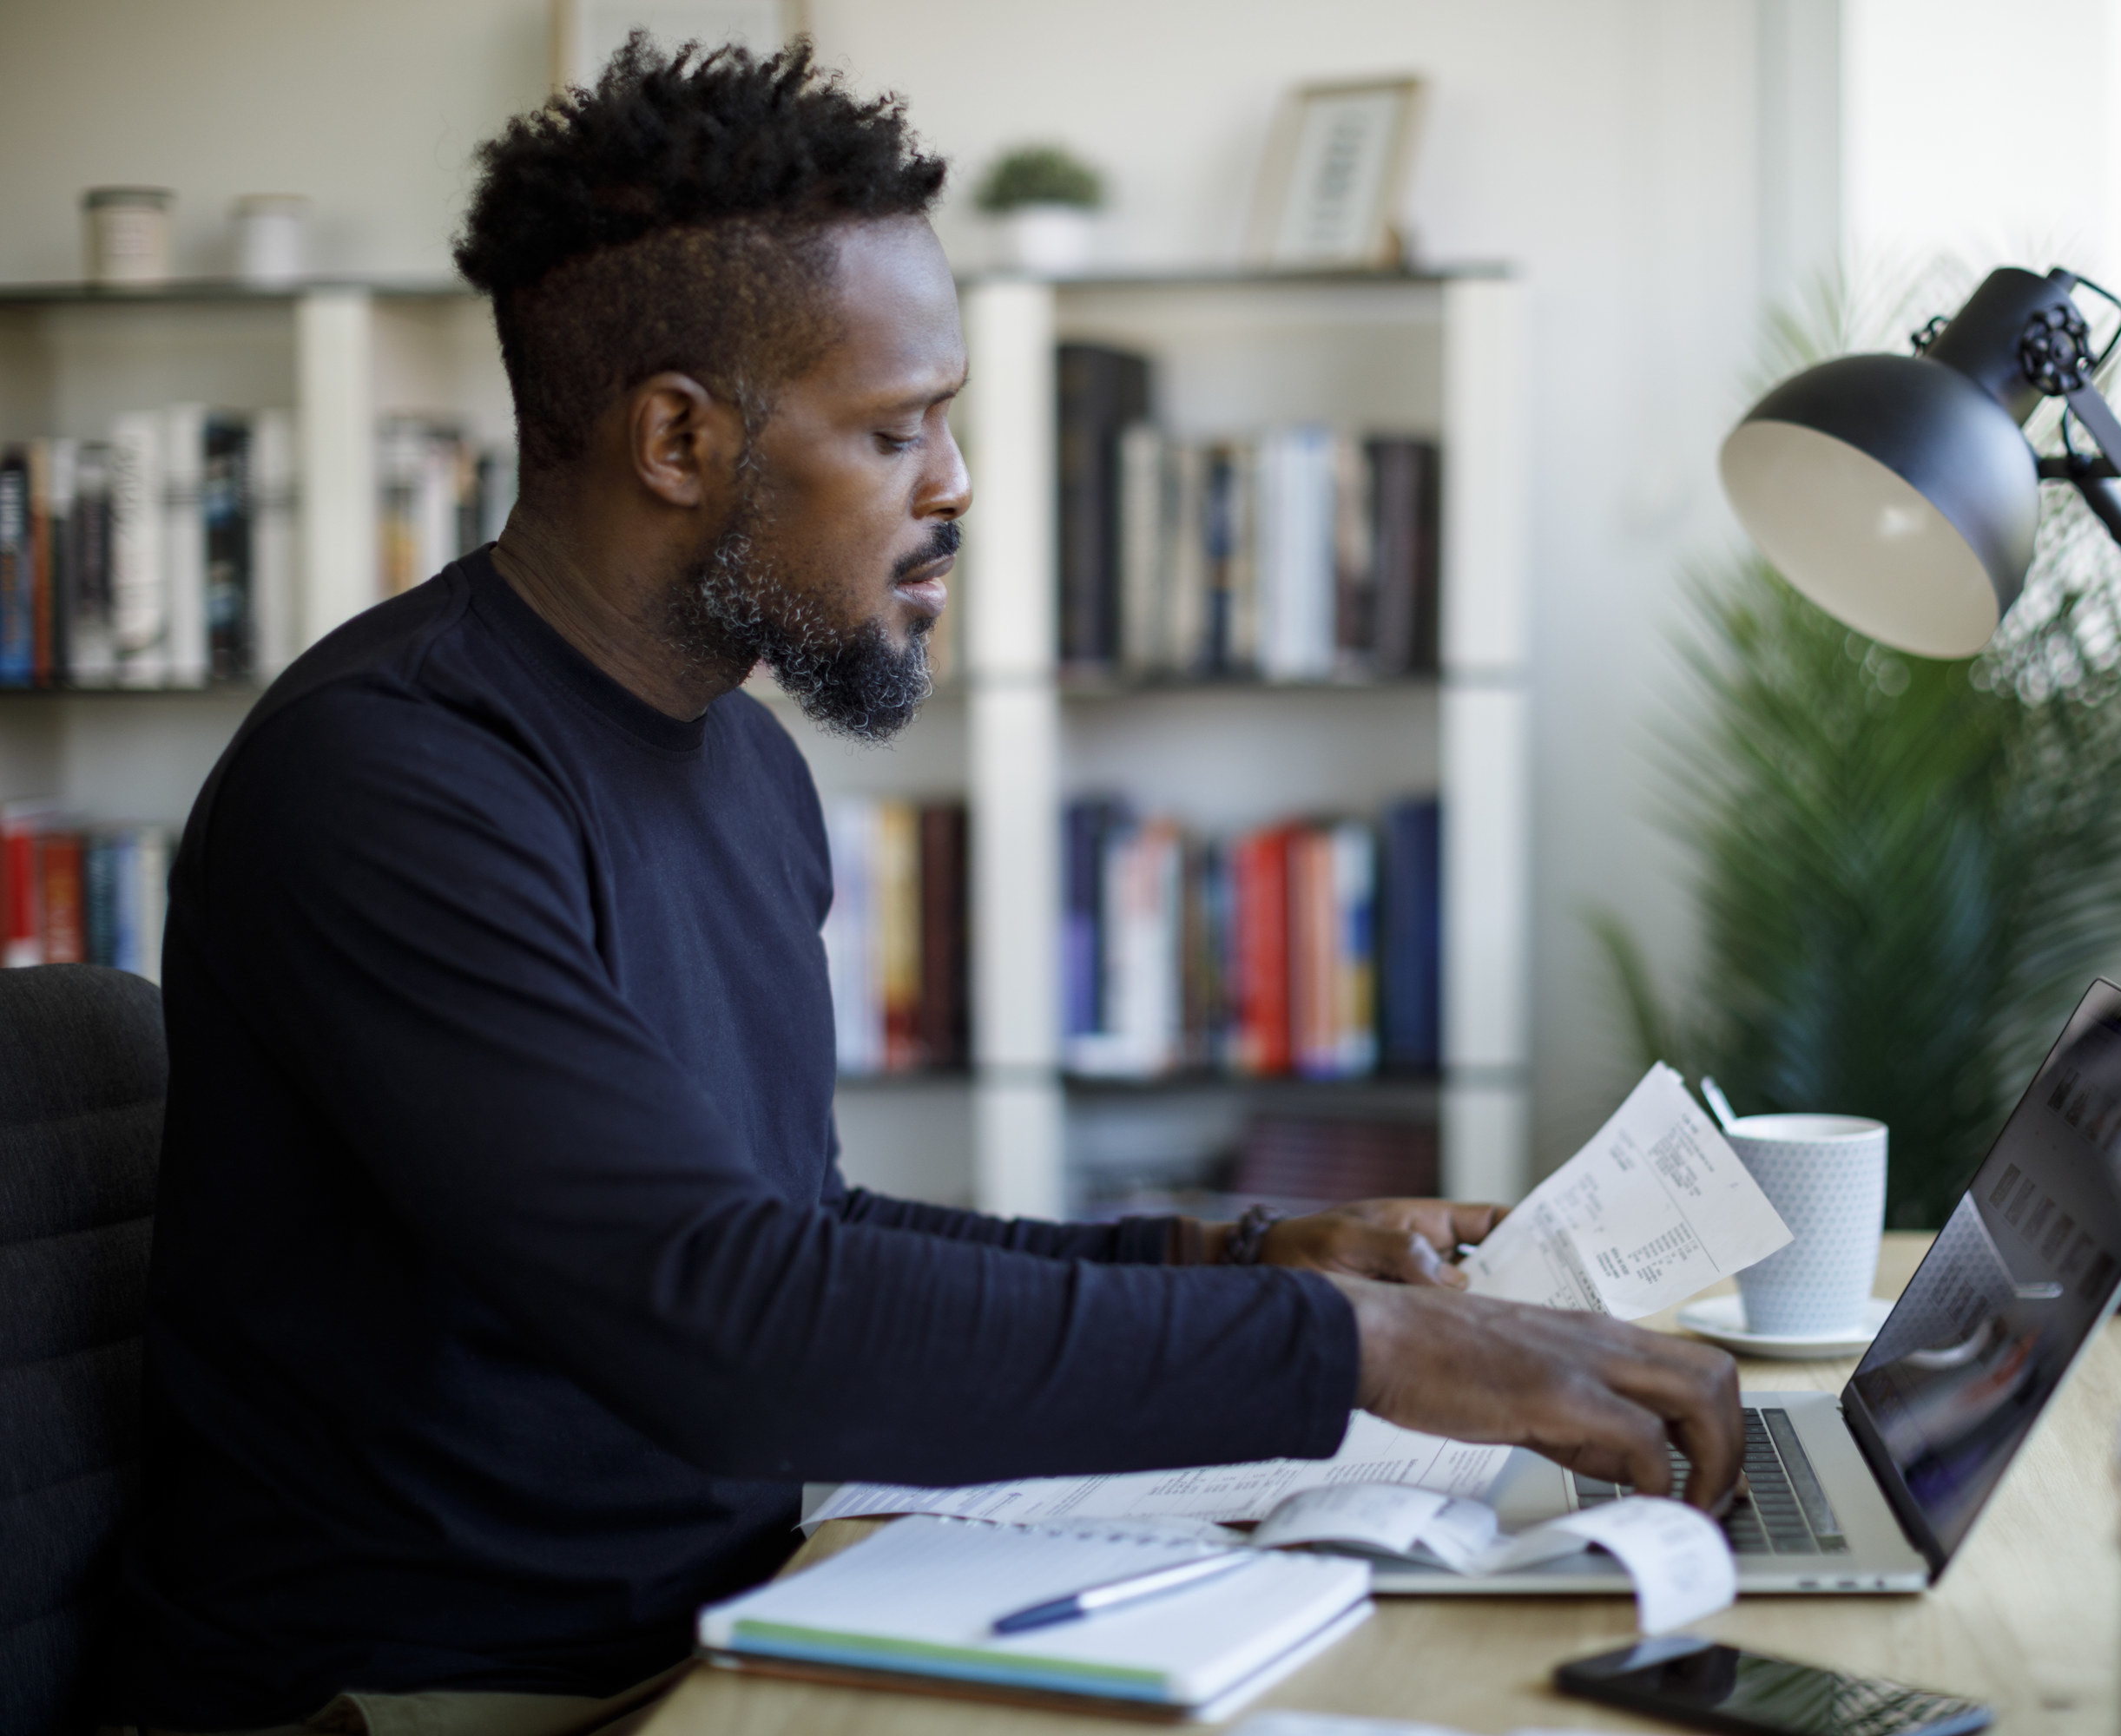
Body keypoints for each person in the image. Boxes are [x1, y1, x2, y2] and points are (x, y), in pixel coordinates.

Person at [105, 37, 1746, 1736]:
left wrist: (1238, 1248)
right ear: (679, 435)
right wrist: (1361, 1350)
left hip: (723, 1621)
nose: (955, 481)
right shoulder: (392, 783)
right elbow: (733, 1324)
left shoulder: (740, 764)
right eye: (899, 427)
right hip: (426, 1696)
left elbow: (795, 1237)